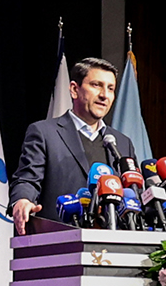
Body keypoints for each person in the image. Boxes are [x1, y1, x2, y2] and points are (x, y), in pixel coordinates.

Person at [8, 57, 135, 235]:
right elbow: (27, 179)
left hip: (112, 242)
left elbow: (133, 192)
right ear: (75, 90)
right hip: (59, 240)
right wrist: (22, 200)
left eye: (110, 88)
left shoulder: (122, 143)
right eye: (96, 85)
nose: (104, 95)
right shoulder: (45, 133)